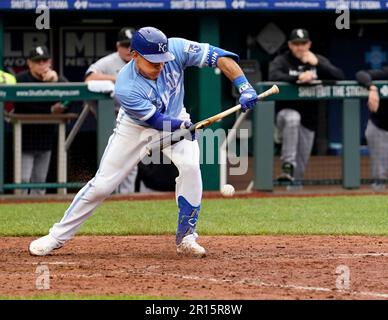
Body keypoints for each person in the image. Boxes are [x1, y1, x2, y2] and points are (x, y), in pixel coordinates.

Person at [28, 26, 259, 257]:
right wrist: (183, 128)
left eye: (162, 61)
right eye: (153, 62)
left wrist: (244, 86)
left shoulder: (176, 48)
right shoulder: (125, 86)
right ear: (135, 55)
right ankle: (57, 236)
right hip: (136, 127)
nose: (160, 66)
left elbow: (221, 57)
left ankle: (187, 237)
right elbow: (156, 121)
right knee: (103, 185)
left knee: (190, 167)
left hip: (177, 116)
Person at [268, 28, 344, 186]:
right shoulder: (282, 60)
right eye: (296, 44)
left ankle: (292, 192)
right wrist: (297, 77)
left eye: (303, 43)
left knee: (300, 171)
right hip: (285, 114)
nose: (300, 47)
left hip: (309, 119)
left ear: (309, 44)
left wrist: (317, 64)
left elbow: (339, 76)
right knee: (292, 118)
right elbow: (273, 76)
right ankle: (287, 164)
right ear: (290, 45)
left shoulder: (317, 60)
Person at [85, 27, 138, 194]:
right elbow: (89, 78)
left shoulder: (144, 60)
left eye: (131, 45)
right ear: (117, 46)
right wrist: (116, 79)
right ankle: (108, 196)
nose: (128, 49)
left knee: (132, 161)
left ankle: (126, 198)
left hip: (136, 116)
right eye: (124, 45)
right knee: (112, 161)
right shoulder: (109, 61)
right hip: (112, 116)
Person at [14, 46, 68, 195]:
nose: (42, 64)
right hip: (24, 138)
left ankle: (35, 215)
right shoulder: (20, 79)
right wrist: (50, 110)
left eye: (44, 61)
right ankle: (19, 213)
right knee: (23, 181)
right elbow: (22, 105)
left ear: (49, 62)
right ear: (29, 63)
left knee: (40, 181)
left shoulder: (57, 79)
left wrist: (57, 82)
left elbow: (72, 97)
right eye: (38, 61)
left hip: (46, 137)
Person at [356, 66, 388, 190]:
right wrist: (372, 88)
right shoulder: (386, 73)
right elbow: (361, 73)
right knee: (379, 178)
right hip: (380, 126)